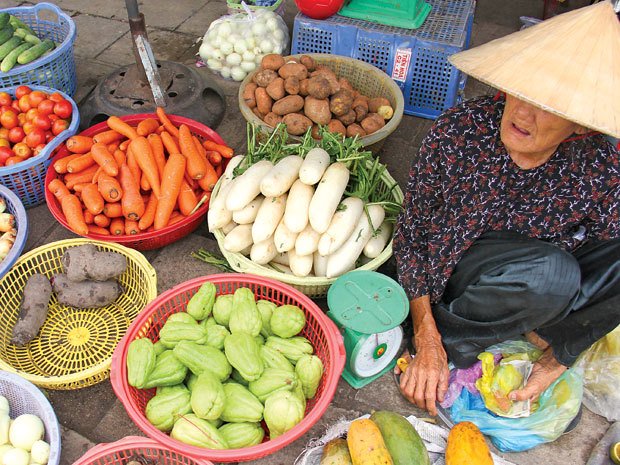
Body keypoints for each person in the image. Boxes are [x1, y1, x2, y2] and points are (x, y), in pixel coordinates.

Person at [393, 1, 620, 417]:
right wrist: (427, 337)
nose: (522, 112)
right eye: (522, 91)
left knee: (572, 269)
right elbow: (411, 234)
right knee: (553, 275)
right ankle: (455, 339)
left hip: (536, 277)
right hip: (464, 272)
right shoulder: (460, 133)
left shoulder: (599, 164)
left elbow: (607, 252)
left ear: (581, 125)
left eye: (549, 106)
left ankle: (548, 346)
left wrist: (565, 352)